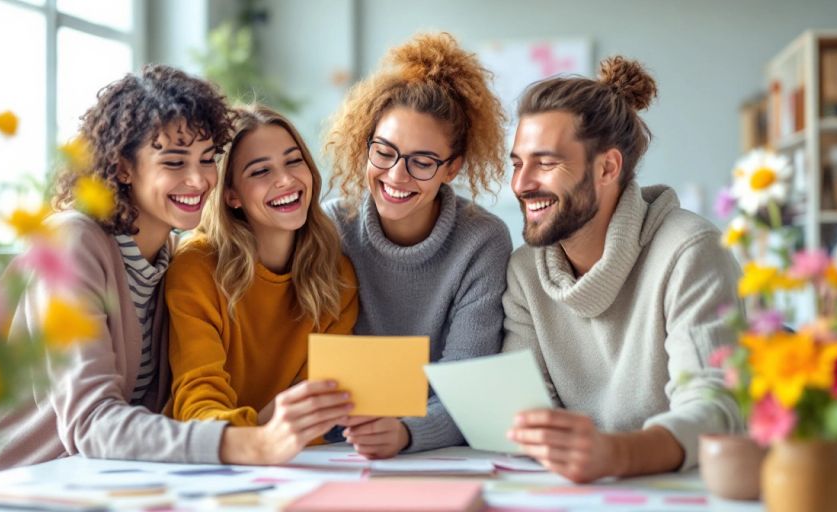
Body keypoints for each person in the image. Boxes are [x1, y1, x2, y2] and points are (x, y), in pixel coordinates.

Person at [0, 67, 329, 470]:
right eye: (173, 162)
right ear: (122, 168)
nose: (198, 179)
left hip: (109, 481)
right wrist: (244, 444)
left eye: (207, 159)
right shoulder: (71, 243)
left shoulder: (172, 257)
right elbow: (91, 421)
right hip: (15, 484)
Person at [502, 56, 742, 482]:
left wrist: (617, 455)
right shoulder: (525, 271)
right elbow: (522, 410)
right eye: (517, 163)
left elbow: (718, 406)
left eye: (546, 162)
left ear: (607, 168)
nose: (520, 185)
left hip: (680, 491)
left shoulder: (689, 251)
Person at [323, 32, 512, 458]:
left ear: (452, 168)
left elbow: (467, 382)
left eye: (422, 162)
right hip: (332, 448)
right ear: (365, 144)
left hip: (437, 450)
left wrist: (407, 432)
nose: (396, 175)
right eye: (384, 152)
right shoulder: (333, 225)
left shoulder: (482, 241)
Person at [166, 105, 359, 462]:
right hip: (207, 462)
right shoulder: (197, 267)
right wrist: (266, 430)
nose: (286, 180)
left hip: (299, 460)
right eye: (261, 171)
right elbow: (197, 406)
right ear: (231, 195)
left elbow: (316, 411)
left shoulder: (336, 275)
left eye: (294, 161)